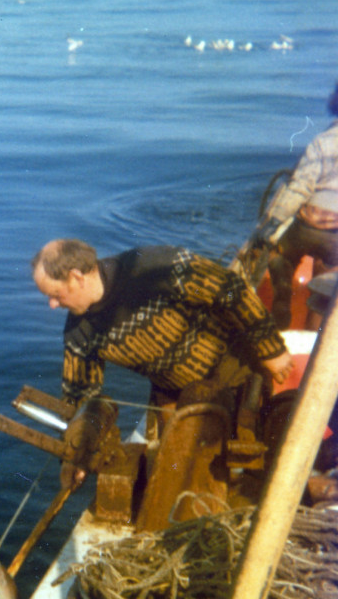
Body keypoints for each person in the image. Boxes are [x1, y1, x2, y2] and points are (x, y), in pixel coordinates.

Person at [32, 240, 294, 487]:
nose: (52, 305)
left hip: (236, 370)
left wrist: (271, 349)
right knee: (180, 471)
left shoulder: (154, 266)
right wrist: (76, 455)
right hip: (174, 393)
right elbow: (80, 397)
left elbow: (230, 289)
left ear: (77, 277)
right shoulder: (79, 332)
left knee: (255, 458)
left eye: (55, 294)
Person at [255, 83, 338, 329]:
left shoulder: (322, 141)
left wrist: (272, 224)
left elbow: (299, 188)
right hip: (335, 235)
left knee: (281, 256)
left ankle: (280, 313)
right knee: (325, 286)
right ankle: (315, 336)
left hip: (307, 226)